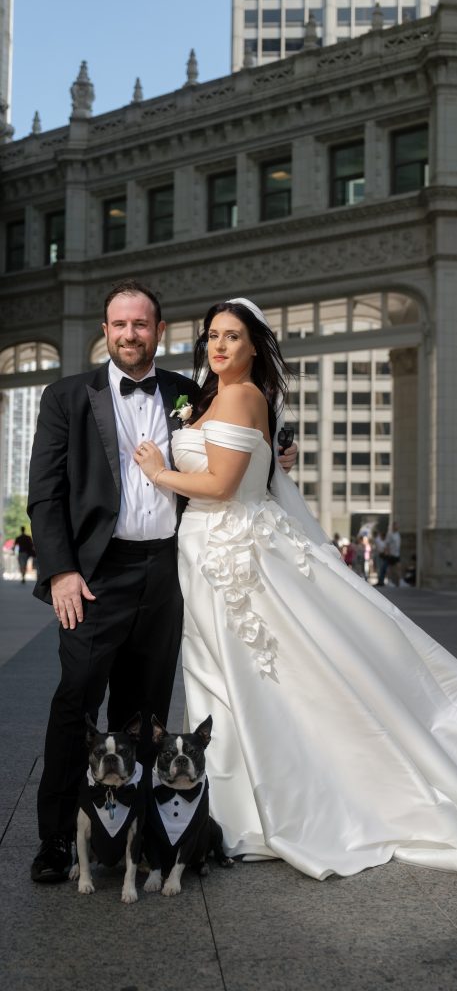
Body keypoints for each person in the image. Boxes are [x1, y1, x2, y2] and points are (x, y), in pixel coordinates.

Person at [134, 298, 457, 881]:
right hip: (208, 552)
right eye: (212, 335)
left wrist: (158, 472)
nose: (219, 346)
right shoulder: (211, 397)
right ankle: (230, 805)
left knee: (250, 671)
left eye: (233, 337)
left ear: (254, 346)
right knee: (222, 671)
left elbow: (219, 482)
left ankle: (266, 806)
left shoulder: (241, 396)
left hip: (231, 554)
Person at [26, 277, 299, 885]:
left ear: (160, 331)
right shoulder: (66, 397)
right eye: (119, 324)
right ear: (105, 331)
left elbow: (247, 431)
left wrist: (278, 455)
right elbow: (46, 495)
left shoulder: (186, 391)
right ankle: (54, 841)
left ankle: (140, 837)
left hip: (168, 571)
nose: (130, 334)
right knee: (76, 703)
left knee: (144, 712)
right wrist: (62, 571)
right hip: (95, 576)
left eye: (141, 324)